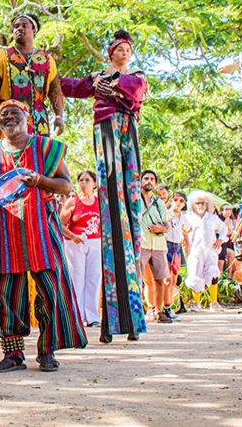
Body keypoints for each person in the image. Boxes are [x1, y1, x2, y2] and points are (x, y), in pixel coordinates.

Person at [0, 100, 86, 373]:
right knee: (5, 291)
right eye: (3, 115)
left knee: (50, 288)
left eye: (15, 113)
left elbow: (66, 185)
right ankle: (12, 355)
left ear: (27, 118)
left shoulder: (47, 148)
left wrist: (40, 181)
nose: (9, 117)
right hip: (5, 231)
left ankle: (47, 352)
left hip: (43, 230)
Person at [60, 29, 148, 344]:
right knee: (110, 207)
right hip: (105, 134)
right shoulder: (98, 75)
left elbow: (134, 91)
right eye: (119, 48)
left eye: (128, 48)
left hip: (126, 136)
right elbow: (72, 87)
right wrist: (47, 73)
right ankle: (110, 320)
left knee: (129, 211)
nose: (125, 52)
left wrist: (108, 85)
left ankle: (131, 317)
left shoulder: (135, 75)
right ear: (110, 52)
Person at [0, 14, 65, 138]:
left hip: (39, 121)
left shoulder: (47, 59)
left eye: (24, 25)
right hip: (9, 120)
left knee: (38, 155)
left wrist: (59, 116)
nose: (19, 28)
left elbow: (55, 91)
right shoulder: (0, 57)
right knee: (10, 156)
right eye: (16, 26)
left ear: (34, 30)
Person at [60, 171, 102, 326]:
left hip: (95, 241)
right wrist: (72, 236)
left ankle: (92, 316)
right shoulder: (72, 202)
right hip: (75, 243)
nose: (84, 183)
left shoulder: (99, 202)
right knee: (77, 278)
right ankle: (77, 316)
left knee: (94, 277)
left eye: (87, 180)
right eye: (81, 180)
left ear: (94, 184)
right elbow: (60, 224)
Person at [139, 170, 172, 324]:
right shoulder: (134, 200)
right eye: (146, 178)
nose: (149, 181)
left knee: (160, 279)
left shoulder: (159, 202)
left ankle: (158, 312)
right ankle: (138, 311)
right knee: (137, 279)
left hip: (158, 245)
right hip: (141, 244)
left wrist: (162, 229)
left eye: (152, 179)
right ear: (140, 181)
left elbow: (168, 223)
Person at [184, 191, 227, 311]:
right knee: (194, 275)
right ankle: (196, 303)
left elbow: (224, 228)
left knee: (213, 273)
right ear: (193, 204)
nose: (200, 205)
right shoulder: (188, 217)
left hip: (211, 249)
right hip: (195, 250)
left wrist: (220, 240)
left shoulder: (212, 217)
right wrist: (186, 245)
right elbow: (182, 231)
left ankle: (214, 302)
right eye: (198, 203)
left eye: (203, 203)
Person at [165, 191, 191, 318]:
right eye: (176, 200)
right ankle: (164, 306)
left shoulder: (183, 216)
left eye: (181, 200)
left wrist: (188, 244)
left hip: (177, 246)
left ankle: (169, 305)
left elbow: (188, 229)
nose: (178, 202)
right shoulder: (167, 214)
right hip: (167, 244)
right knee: (167, 278)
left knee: (174, 278)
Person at [215, 204, 238, 311]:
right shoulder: (220, 219)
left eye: (230, 209)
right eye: (226, 209)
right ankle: (226, 276)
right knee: (229, 254)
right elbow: (225, 232)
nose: (229, 211)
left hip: (234, 244)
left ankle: (233, 276)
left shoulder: (235, 220)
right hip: (224, 244)